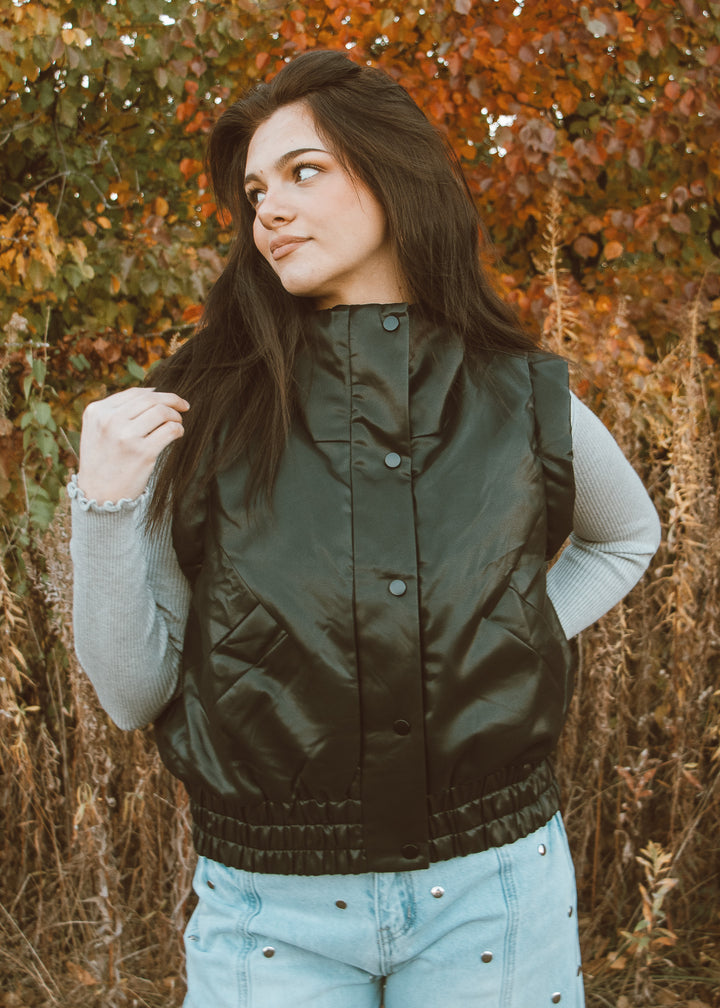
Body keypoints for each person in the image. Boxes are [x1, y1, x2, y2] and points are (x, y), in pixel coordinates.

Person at [70, 49, 661, 1008]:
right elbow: (135, 694)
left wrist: (509, 630)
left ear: (392, 174)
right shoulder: (202, 408)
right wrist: (101, 508)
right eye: (255, 188)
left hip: (494, 893)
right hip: (267, 915)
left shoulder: (518, 394)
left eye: (304, 171)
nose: (268, 207)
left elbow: (625, 538)